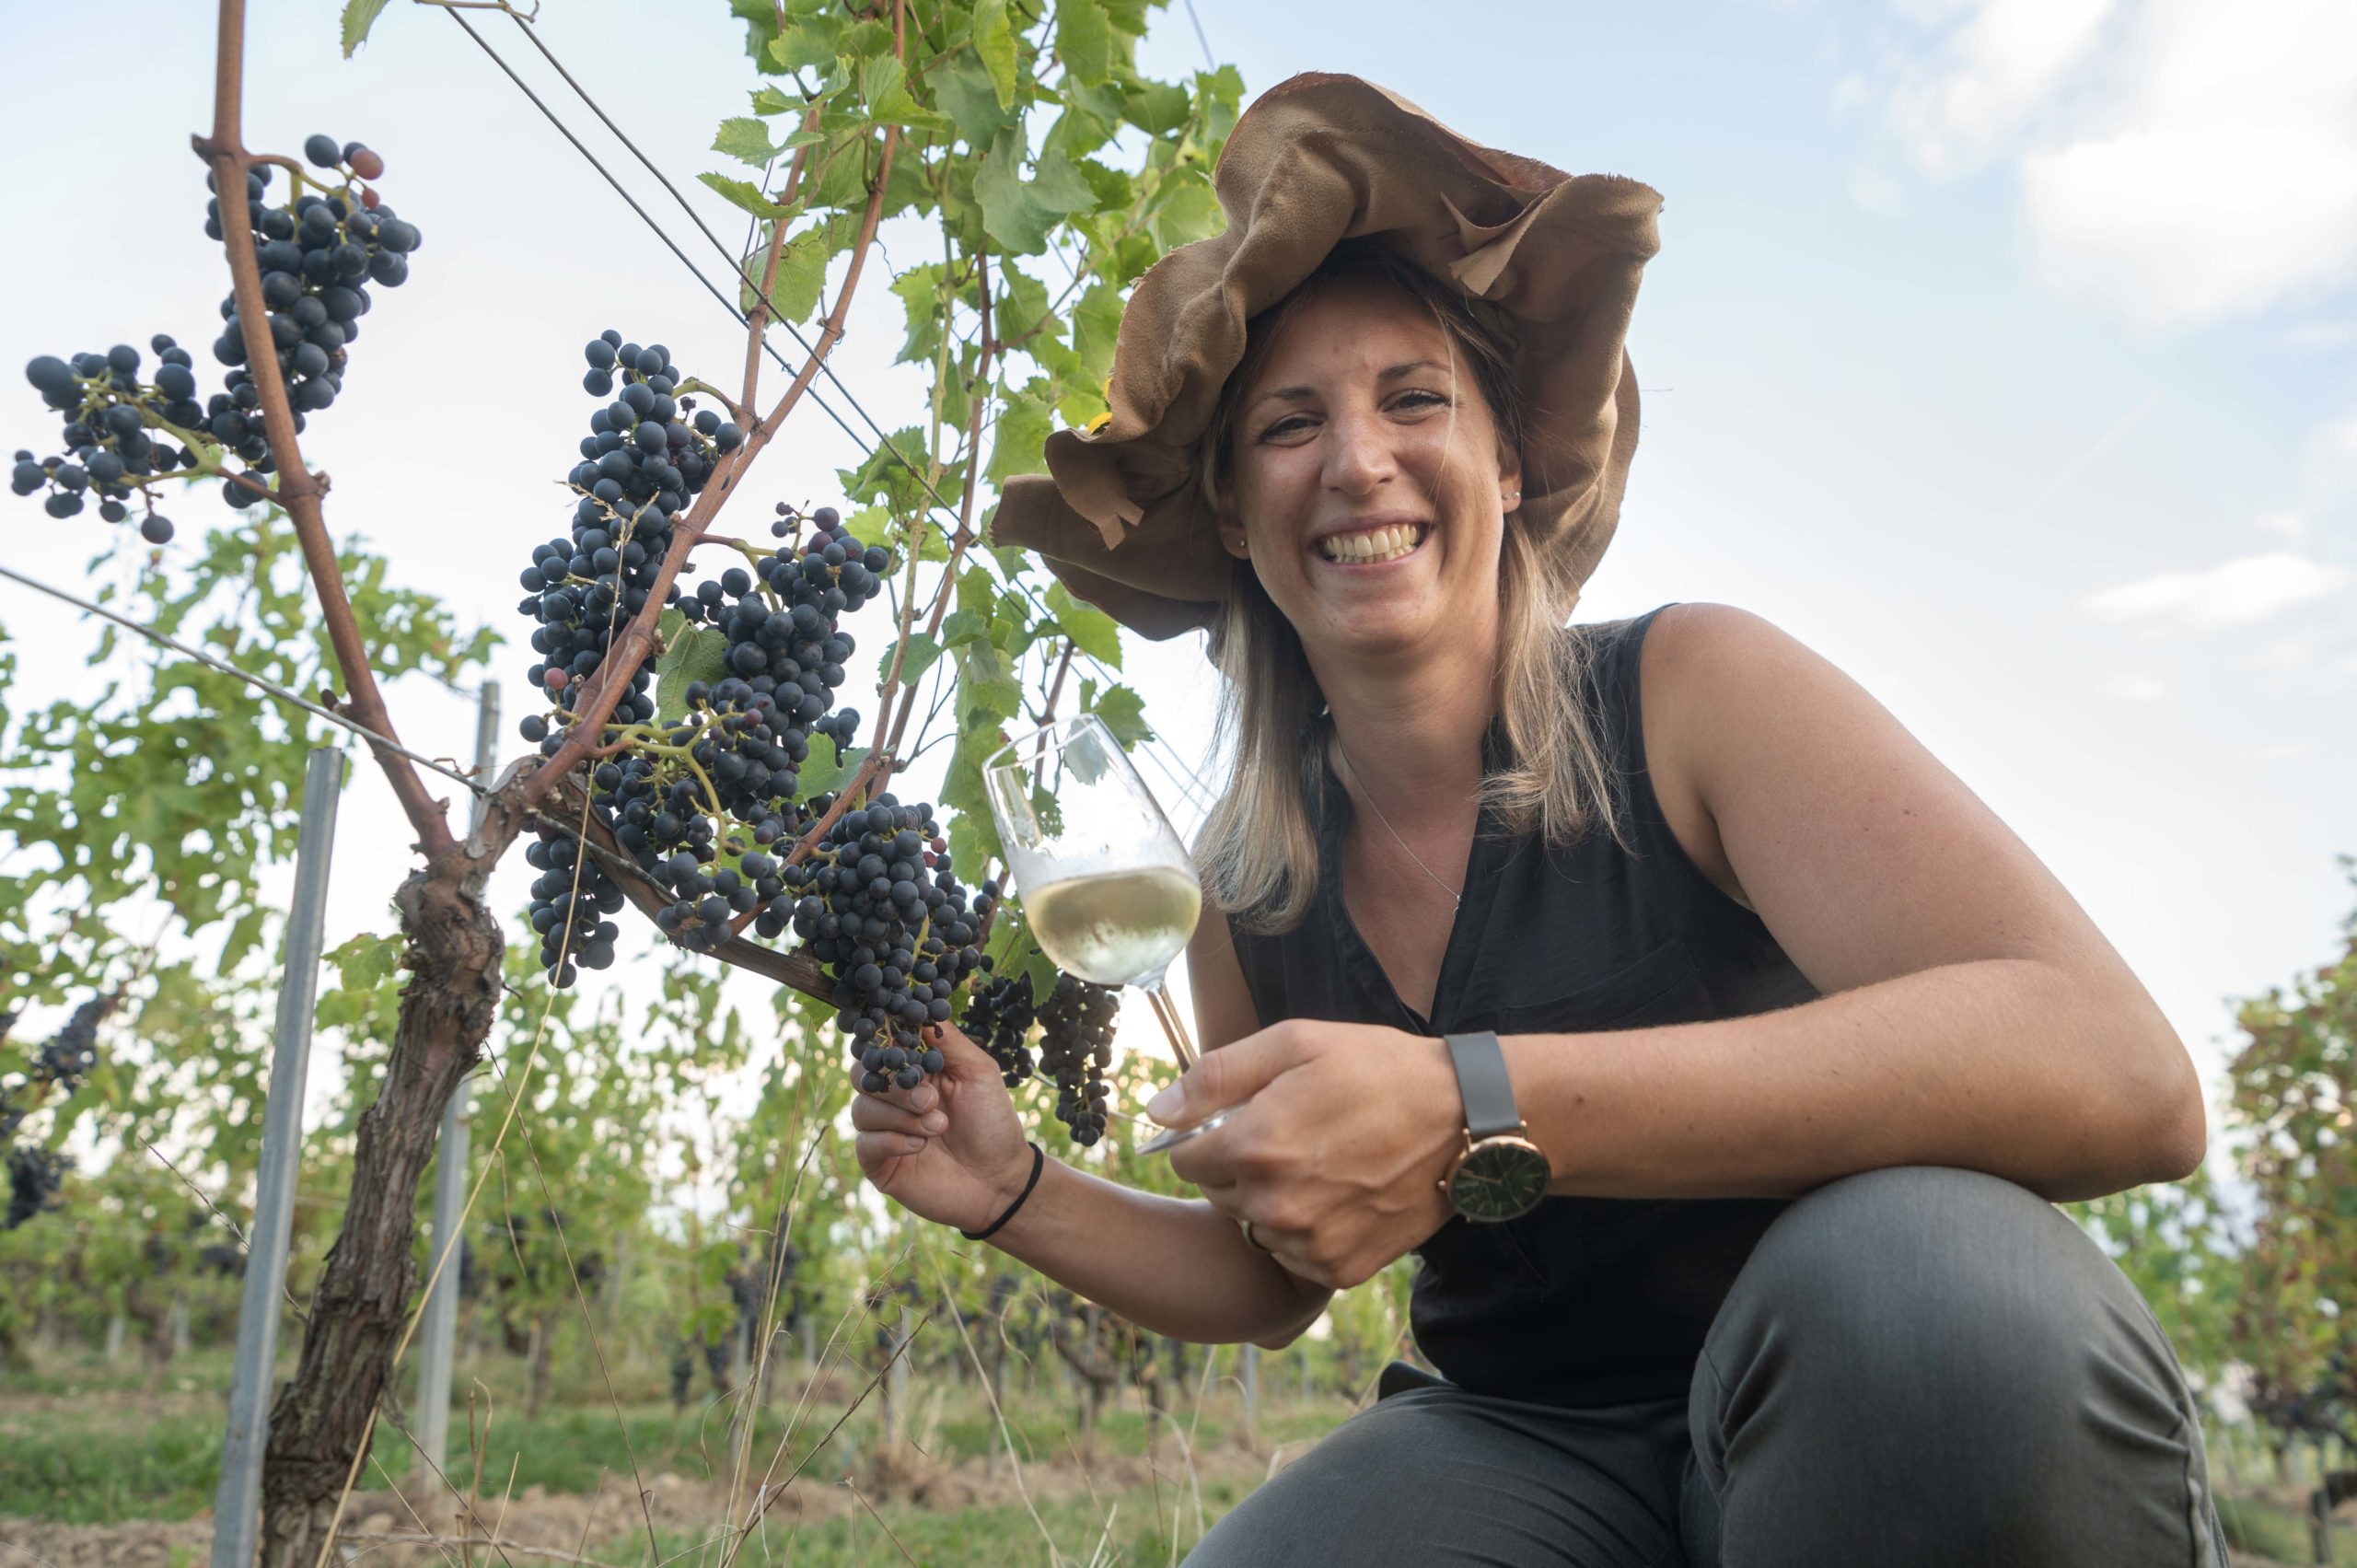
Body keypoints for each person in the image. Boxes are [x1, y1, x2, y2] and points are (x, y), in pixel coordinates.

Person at [849, 71, 2230, 1567]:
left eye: (1415, 398)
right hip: (1536, 1443)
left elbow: (2118, 1074)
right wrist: (1012, 1193)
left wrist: (1470, 1102)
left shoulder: (1690, 692)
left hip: (1847, 1395)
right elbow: (1272, 1272)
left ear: (1509, 464)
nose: (1359, 460)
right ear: (1238, 519)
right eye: (1288, 424)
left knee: (1935, 1301)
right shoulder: (1249, 884)